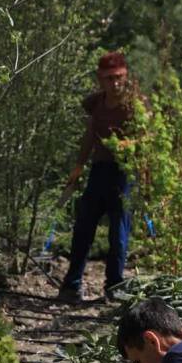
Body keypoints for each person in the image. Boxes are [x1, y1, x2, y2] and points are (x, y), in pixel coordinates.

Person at [56, 51, 141, 304]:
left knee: (119, 232)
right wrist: (78, 166)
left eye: (119, 78)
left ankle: (114, 286)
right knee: (83, 227)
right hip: (99, 171)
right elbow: (90, 135)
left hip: (124, 173)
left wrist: (130, 144)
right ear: (99, 79)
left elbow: (151, 137)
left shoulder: (135, 104)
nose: (115, 83)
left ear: (125, 76)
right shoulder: (97, 103)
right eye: (108, 78)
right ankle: (71, 285)